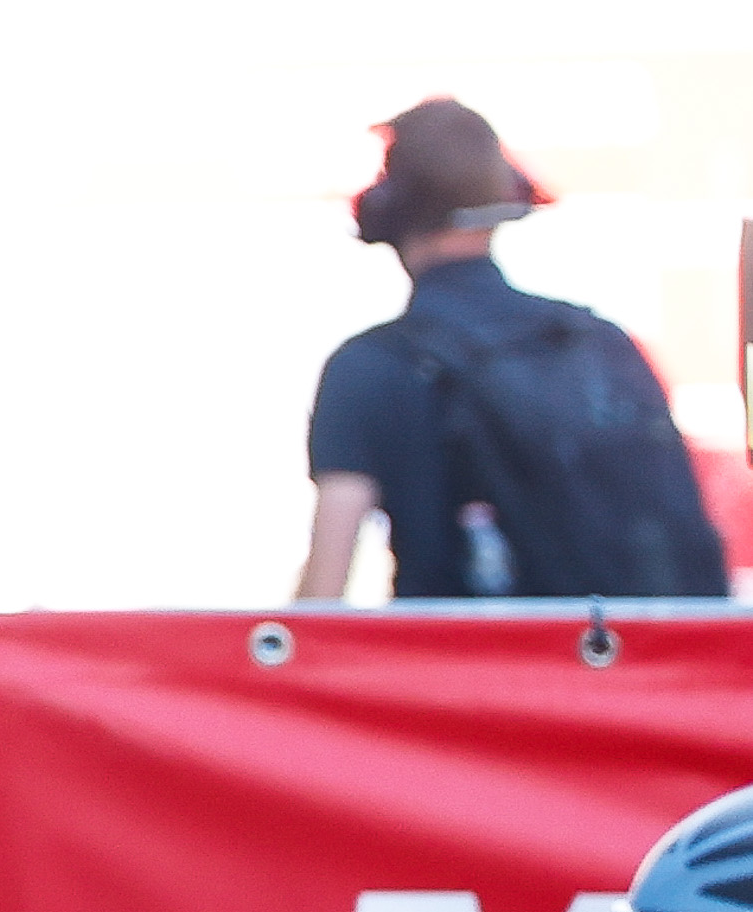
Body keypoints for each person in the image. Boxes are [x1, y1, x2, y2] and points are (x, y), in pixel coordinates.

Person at [297, 98, 725, 602]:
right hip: (619, 652)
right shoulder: (603, 344)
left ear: (385, 209)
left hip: (460, 653)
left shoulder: (368, 369)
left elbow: (321, 599)